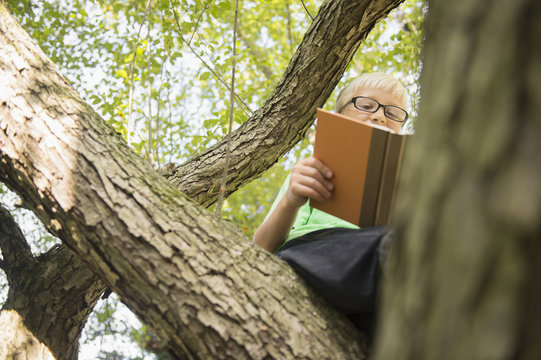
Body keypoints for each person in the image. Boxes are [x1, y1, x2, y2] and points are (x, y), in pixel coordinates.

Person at [252, 72, 408, 334]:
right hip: (313, 257)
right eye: (366, 106)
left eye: (393, 113)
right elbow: (260, 248)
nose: (380, 116)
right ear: (340, 116)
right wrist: (292, 199)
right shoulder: (313, 171)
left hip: (374, 296)